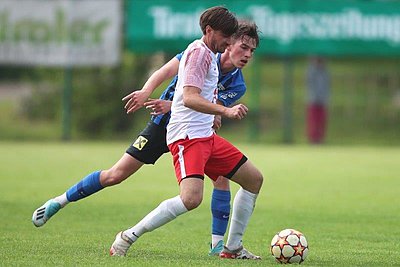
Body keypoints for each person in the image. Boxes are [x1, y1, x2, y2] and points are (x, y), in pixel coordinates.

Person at [32, 16, 260, 256]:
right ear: (229, 41)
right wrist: (146, 91)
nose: (247, 55)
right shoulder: (201, 53)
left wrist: (181, 106)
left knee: (223, 178)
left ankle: (220, 247)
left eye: (252, 51)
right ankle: (59, 201)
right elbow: (170, 76)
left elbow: (203, 104)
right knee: (116, 175)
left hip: (195, 129)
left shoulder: (237, 85)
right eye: (243, 47)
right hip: (165, 127)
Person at [109, 6, 263, 260]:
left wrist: (215, 113)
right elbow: (190, 98)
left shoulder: (212, 58)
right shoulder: (198, 54)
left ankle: (232, 247)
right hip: (188, 137)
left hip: (206, 137)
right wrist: (224, 112)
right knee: (191, 199)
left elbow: (195, 96)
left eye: (251, 50)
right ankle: (127, 236)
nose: (230, 42)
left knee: (253, 179)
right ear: (211, 31)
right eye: (229, 37)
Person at [306, 56, 330, 144]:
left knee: (322, 121)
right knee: (313, 120)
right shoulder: (311, 71)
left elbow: (327, 86)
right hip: (313, 100)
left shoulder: (325, 72)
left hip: (322, 100)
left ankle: (320, 139)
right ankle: (313, 139)